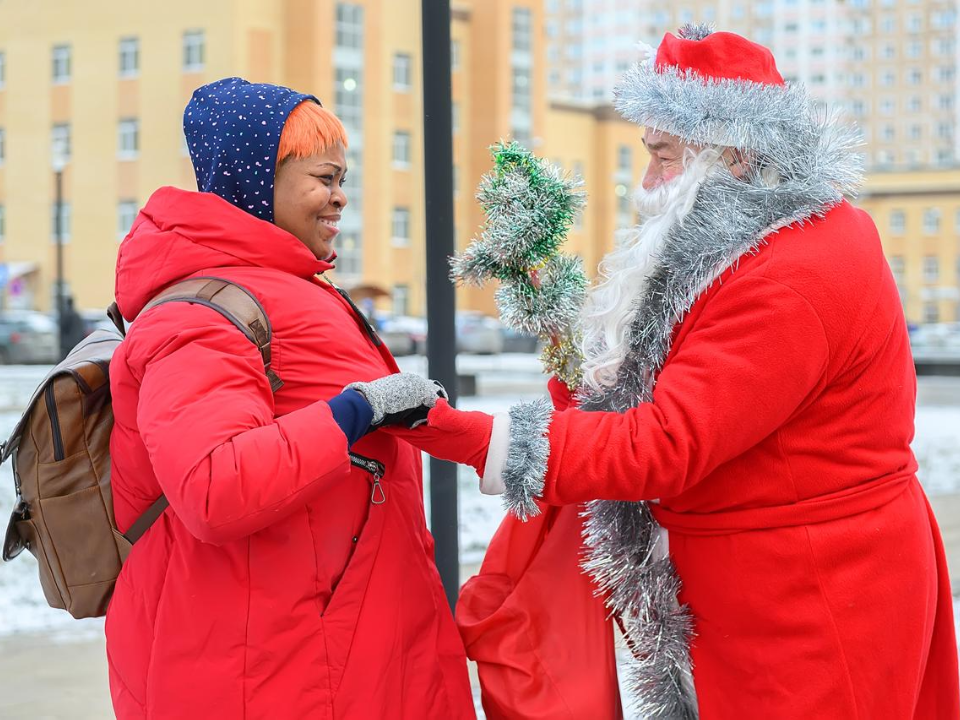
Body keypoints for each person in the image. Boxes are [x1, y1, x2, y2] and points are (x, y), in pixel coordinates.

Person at [365, 26, 960, 719]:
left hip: (816, 590)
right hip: (769, 582)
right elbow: (648, 393)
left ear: (732, 153)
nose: (646, 183)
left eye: (663, 156)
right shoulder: (739, 247)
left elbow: (665, 442)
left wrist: (471, 435)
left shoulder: (791, 269)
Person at [106, 78, 474, 719]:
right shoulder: (200, 312)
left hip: (334, 648)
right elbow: (215, 486)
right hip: (278, 670)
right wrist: (356, 411)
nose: (340, 197)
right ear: (257, 182)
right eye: (324, 178)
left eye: (342, 178)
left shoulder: (282, 285)